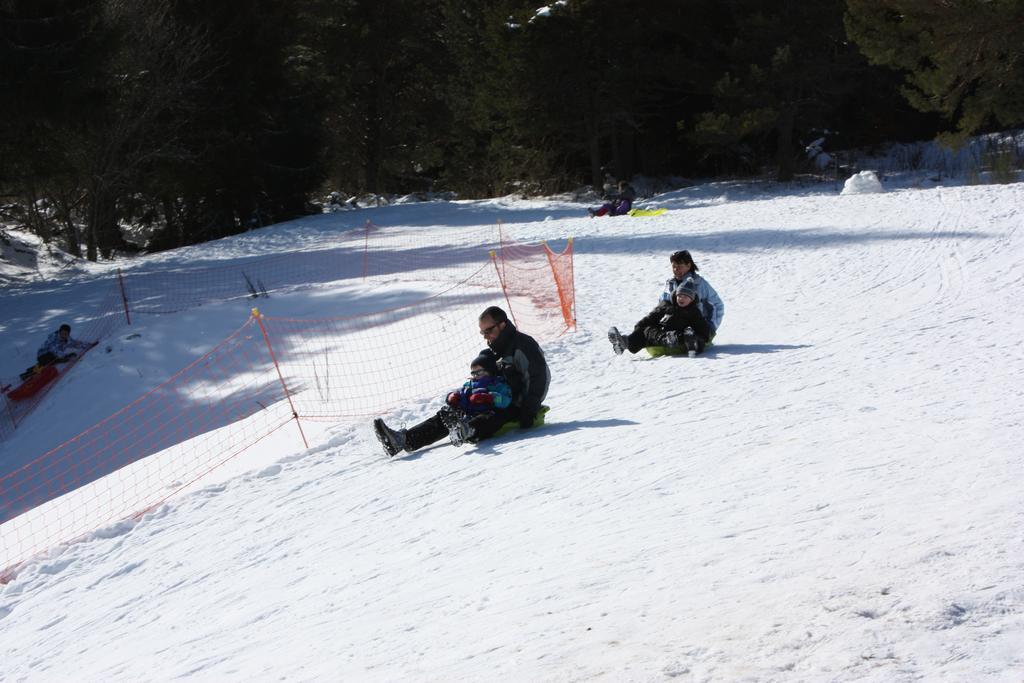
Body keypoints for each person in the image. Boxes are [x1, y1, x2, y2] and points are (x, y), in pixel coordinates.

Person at [373, 349, 514, 457]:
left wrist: (491, 397)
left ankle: (467, 430)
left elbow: (506, 400)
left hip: (483, 416)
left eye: (479, 372)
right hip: (464, 416)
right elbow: (460, 393)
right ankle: (404, 440)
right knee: (442, 418)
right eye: (473, 373)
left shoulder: (497, 384)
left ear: (489, 371)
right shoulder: (469, 385)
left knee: (489, 417)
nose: (475, 376)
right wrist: (453, 397)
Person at [477, 305, 550, 430]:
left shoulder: (524, 344)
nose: (485, 336)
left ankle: (468, 429)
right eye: (483, 332)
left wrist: (530, 405)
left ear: (502, 325)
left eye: (488, 331)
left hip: (519, 403)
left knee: (484, 421)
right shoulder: (493, 350)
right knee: (458, 408)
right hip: (498, 398)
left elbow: (539, 376)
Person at [608, 280, 712, 357]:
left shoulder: (693, 312)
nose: (681, 299)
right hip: (659, 334)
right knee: (645, 330)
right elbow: (651, 317)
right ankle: (624, 343)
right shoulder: (665, 305)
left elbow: (703, 331)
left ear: (692, 299)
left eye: (685, 297)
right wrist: (638, 326)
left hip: (677, 336)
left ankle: (690, 343)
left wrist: (697, 339)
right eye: (679, 295)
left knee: (650, 331)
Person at [659, 250, 724, 340]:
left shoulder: (699, 284)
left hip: (697, 324)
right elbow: (662, 304)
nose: (676, 270)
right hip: (672, 322)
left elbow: (717, 305)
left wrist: (711, 326)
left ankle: (689, 339)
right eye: (674, 266)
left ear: (688, 265)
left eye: (679, 266)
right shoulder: (670, 284)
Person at [21, 323, 96, 380]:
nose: (63, 335)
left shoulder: (68, 339)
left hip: (55, 356)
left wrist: (89, 345)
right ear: (59, 332)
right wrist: (64, 356)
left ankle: (32, 371)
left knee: (50, 361)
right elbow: (53, 349)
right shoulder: (53, 337)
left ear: (68, 334)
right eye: (62, 333)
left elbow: (76, 344)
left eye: (66, 334)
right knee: (46, 361)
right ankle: (29, 374)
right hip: (43, 354)